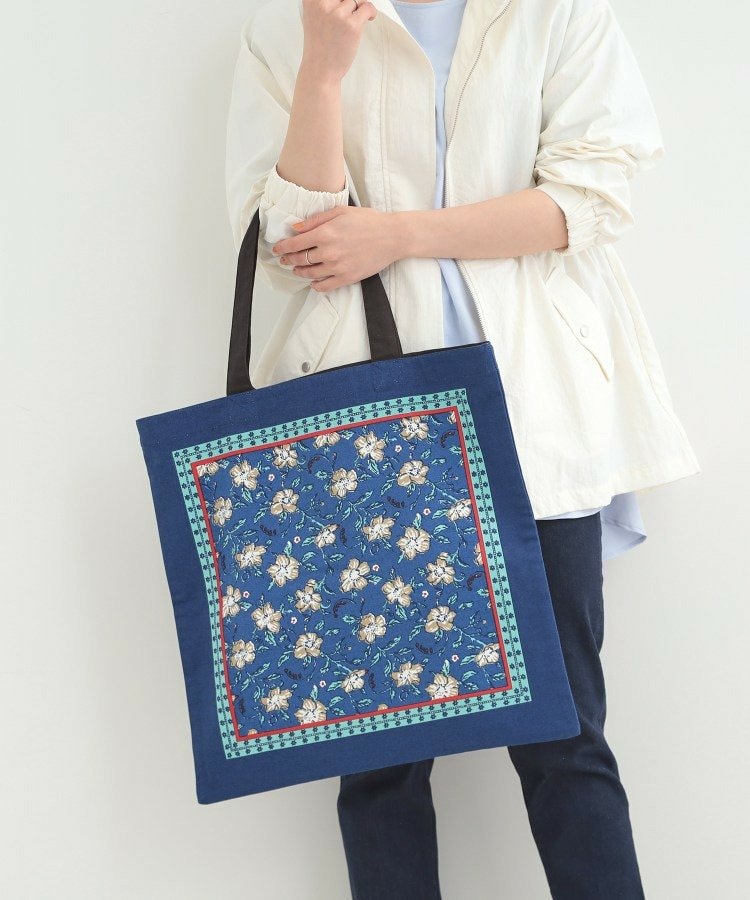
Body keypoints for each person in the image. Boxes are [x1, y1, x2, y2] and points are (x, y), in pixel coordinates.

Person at [225, 1, 701, 897]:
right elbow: (288, 246)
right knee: (378, 761)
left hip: (529, 420)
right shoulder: (293, 25)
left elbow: (589, 198)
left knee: (566, 740)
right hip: (366, 440)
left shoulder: (555, 11)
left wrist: (398, 234)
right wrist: (324, 67)